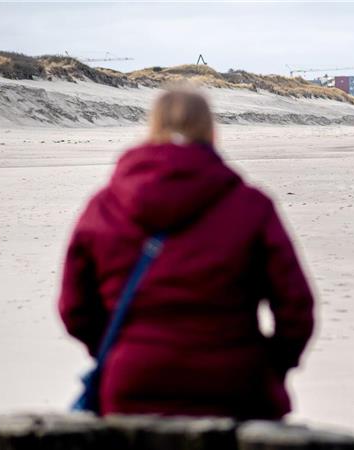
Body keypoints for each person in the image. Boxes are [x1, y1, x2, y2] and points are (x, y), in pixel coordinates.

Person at [58, 89, 314, 419]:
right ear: (212, 132)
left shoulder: (104, 206)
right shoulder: (251, 205)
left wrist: (119, 349)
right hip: (232, 383)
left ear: (151, 129)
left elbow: (75, 307)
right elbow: (295, 306)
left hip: (133, 381)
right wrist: (270, 364)